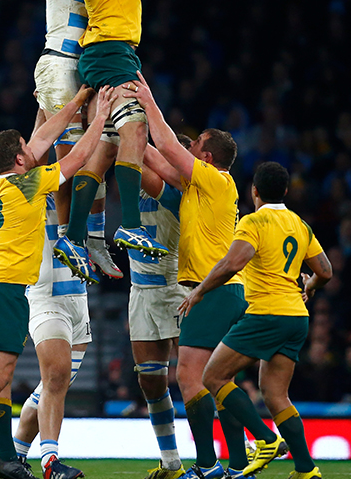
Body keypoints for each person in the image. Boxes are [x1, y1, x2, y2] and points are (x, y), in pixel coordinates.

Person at [54, 0, 246, 274]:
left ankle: (73, 235)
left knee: (105, 149)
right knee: (136, 129)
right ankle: (131, 226)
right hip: (109, 51)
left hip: (114, 54)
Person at [33, 0, 202, 280]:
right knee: (71, 159)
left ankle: (89, 237)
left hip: (85, 65)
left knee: (102, 146)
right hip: (62, 62)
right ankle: (67, 238)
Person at [0, 85, 116, 479]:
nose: (31, 149)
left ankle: (7, 458)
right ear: (20, 159)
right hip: (4, 290)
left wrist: (68, 103)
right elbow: (77, 158)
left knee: (1, 382)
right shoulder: (30, 184)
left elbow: (37, 142)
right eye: (25, 149)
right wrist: (99, 117)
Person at [123, 75, 248, 479]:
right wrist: (122, 125)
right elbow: (152, 154)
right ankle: (219, 460)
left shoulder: (202, 183)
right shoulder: (197, 185)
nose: (187, 151)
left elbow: (160, 151)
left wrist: (140, 105)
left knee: (200, 377)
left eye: (194, 148)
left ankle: (228, 456)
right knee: (189, 379)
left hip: (198, 288)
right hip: (171, 289)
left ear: (204, 158)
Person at [180, 161, 332, 479]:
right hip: (297, 317)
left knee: (214, 377)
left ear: (255, 191)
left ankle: (265, 439)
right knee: (276, 395)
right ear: (286, 191)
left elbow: (234, 262)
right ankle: (306, 469)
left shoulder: (254, 221)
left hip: (266, 313)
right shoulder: (299, 224)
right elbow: (325, 271)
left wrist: (200, 291)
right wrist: (310, 286)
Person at [11, 188, 90, 479]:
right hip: (46, 298)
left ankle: (13, 458)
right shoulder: (32, 189)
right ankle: (50, 462)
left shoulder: (85, 189)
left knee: (52, 386)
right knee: (55, 379)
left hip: (79, 299)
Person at [132, 136, 193, 479]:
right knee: (151, 382)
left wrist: (123, 129)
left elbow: (132, 157)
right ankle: (171, 462)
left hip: (176, 289)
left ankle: (239, 448)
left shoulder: (177, 192)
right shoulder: (137, 186)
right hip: (141, 292)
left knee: (199, 379)